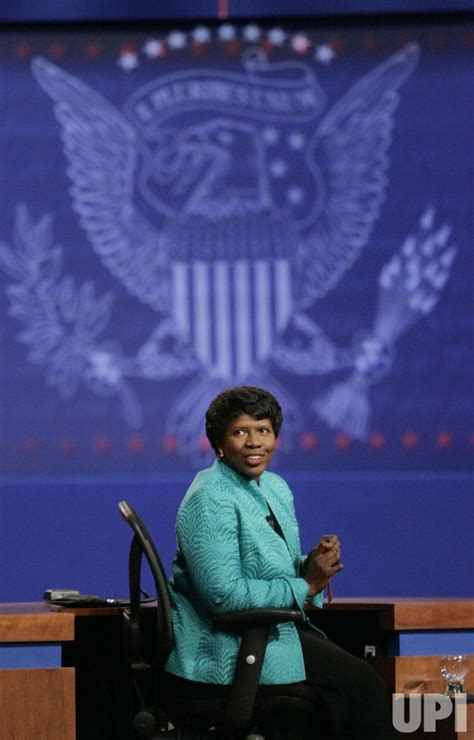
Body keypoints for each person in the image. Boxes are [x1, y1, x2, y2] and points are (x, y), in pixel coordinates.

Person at [164, 386, 394, 738]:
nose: (254, 442)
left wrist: (309, 565)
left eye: (264, 431)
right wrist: (305, 585)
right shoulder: (209, 497)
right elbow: (222, 596)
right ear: (219, 444)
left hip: (273, 631)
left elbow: (270, 568)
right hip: (232, 646)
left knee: (354, 684)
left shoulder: (274, 487)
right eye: (240, 432)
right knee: (362, 686)